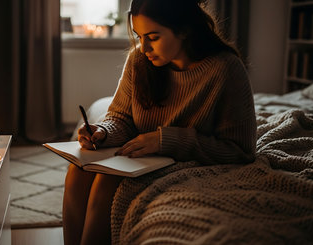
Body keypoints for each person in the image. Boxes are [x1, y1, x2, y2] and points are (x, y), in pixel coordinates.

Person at [62, 0, 256, 244]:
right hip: (141, 158)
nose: (144, 48)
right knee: (76, 171)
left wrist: (167, 140)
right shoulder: (138, 61)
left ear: (184, 29)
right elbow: (121, 116)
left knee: (105, 180)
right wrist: (103, 131)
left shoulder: (225, 69)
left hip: (183, 163)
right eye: (139, 36)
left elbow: (241, 150)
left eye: (153, 37)